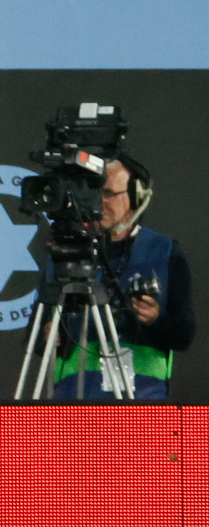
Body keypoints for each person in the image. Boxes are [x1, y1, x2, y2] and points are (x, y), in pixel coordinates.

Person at [48, 155, 195, 399]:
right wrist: (50, 335)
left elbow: (183, 335)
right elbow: (37, 338)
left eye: (107, 193)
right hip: (72, 410)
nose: (98, 203)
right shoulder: (66, 252)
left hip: (141, 410)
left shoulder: (166, 253)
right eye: (94, 193)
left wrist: (155, 319)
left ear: (136, 197)